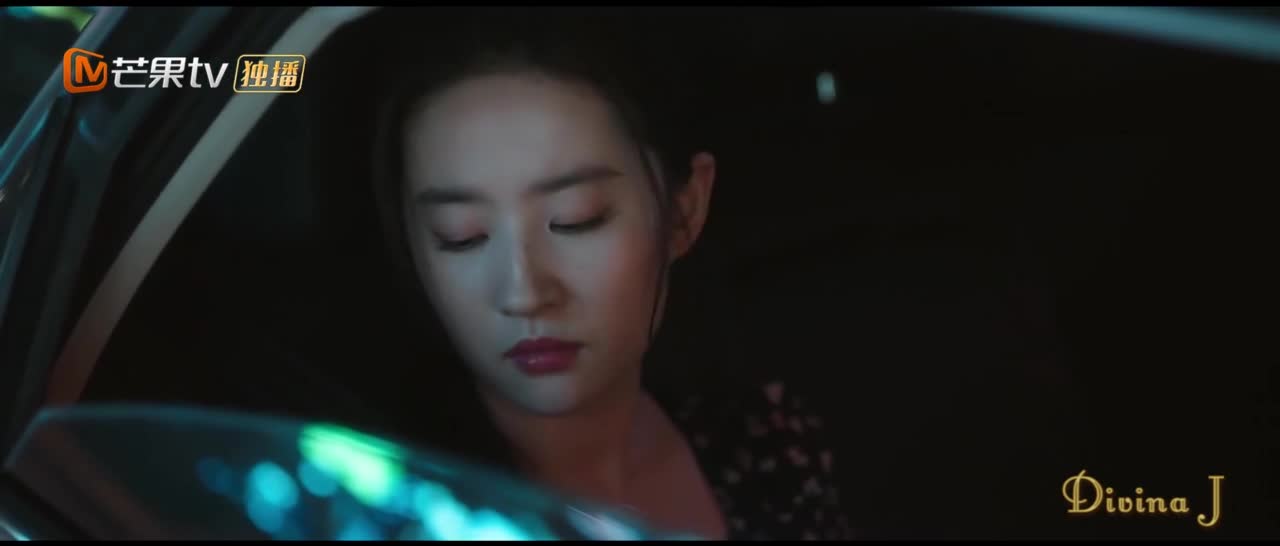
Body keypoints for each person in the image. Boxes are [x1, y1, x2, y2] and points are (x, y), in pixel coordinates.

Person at [369, 19, 854, 540]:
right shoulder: (381, 505)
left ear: (683, 211)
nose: (524, 293)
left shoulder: (763, 445)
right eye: (460, 236)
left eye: (578, 219)